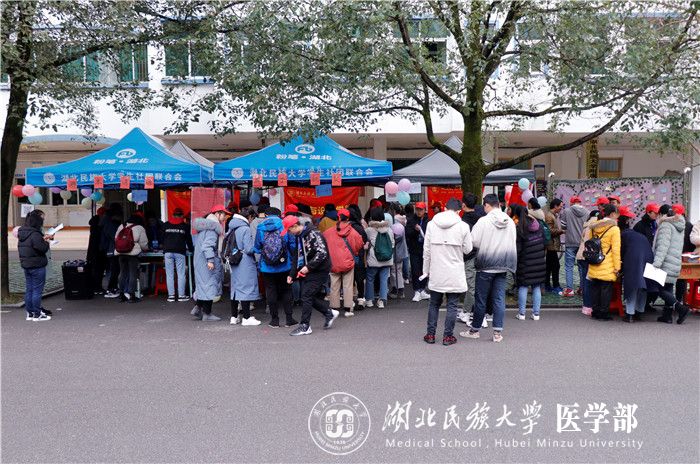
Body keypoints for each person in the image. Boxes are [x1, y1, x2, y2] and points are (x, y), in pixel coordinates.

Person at [460, 194, 517, 343]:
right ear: (498, 204)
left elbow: (474, 241)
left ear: (486, 205)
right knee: (499, 299)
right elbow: (513, 241)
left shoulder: (483, 221)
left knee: (481, 299)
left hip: (485, 265)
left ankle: (475, 330)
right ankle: (497, 333)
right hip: (503, 265)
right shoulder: (509, 221)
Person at [422, 198, 472, 346]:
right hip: (454, 271)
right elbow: (468, 249)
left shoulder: (431, 224)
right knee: (452, 305)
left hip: (436, 269)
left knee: (434, 303)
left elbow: (426, 251)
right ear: (459, 211)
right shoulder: (463, 226)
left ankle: (430, 334)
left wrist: (426, 271)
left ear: (444, 208)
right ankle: (448, 336)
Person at [283, 215, 339, 336]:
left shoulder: (313, 233)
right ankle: (328, 313)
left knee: (306, 295)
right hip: (311, 269)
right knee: (307, 295)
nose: (289, 233)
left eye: (289, 230)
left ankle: (305, 325)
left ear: (295, 226)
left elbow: (322, 253)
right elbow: (296, 256)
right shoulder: (299, 236)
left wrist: (308, 267)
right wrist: (292, 274)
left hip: (320, 269)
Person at [254, 207, 298, 328]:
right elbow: (292, 245)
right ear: (279, 215)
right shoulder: (284, 226)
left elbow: (257, 247)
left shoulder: (260, 227)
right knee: (286, 290)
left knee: (270, 291)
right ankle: (289, 319)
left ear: (266, 215)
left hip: (266, 266)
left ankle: (274, 320)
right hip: (285, 265)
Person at [652, 204, 689, 324]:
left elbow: (663, 246)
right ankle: (667, 316)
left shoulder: (666, 225)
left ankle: (681, 308)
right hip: (675, 262)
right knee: (668, 288)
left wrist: (657, 263)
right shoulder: (679, 225)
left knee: (659, 289)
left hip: (665, 262)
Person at [324, 208, 364, 317]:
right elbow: (359, 244)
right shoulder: (352, 231)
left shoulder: (328, 232)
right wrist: (354, 252)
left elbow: (323, 243)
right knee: (348, 285)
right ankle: (348, 309)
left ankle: (334, 309)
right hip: (348, 262)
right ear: (348, 218)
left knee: (334, 285)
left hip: (334, 262)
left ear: (338, 217)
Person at [191, 205, 228, 321]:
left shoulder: (205, 226)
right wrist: (210, 260)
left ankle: (197, 308)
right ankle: (207, 313)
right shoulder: (213, 228)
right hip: (206, 261)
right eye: (224, 215)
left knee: (203, 285)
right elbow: (207, 246)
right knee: (209, 286)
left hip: (200, 260)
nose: (225, 218)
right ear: (217, 214)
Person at [227, 207, 262, 326]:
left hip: (234, 260)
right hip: (244, 261)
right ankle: (246, 317)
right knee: (245, 288)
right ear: (249, 217)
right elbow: (248, 249)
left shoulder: (232, 227)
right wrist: (258, 248)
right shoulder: (245, 229)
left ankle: (233, 317)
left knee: (235, 289)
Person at [619, 206, 653, 323]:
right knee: (642, 285)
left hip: (633, 258)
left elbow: (620, 252)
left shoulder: (622, 235)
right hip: (648, 256)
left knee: (632, 285)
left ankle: (630, 314)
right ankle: (639, 311)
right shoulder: (637, 234)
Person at [586, 204, 621, 321]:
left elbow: (591, 244)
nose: (618, 217)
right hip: (607, 263)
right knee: (606, 289)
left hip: (594, 261)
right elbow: (616, 250)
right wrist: (617, 267)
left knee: (595, 288)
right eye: (617, 214)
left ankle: (595, 311)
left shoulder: (594, 227)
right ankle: (603, 313)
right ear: (612, 214)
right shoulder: (614, 229)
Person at [18, 210, 53, 321]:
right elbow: (42, 248)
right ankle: (37, 314)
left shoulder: (22, 233)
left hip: (26, 265)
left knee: (29, 289)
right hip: (37, 265)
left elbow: (32, 245)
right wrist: (47, 242)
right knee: (37, 291)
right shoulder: (35, 234)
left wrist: (43, 239)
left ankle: (30, 313)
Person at [514, 204, 546, 321]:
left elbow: (518, 249)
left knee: (523, 286)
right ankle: (536, 314)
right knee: (536, 286)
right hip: (539, 261)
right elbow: (544, 242)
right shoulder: (538, 225)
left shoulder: (520, 228)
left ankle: (521, 313)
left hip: (525, 262)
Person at [457, 192, 485, 323]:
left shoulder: (464, 221)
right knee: (476, 284)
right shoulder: (481, 218)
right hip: (480, 254)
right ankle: (473, 310)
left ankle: (467, 311)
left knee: (471, 286)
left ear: (463, 205)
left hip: (469, 256)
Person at [364, 207, 395, 309]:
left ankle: (369, 300)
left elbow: (365, 242)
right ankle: (382, 301)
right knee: (384, 279)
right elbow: (393, 244)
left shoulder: (369, 230)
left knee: (370, 278)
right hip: (387, 259)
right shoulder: (389, 230)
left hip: (374, 259)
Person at [114, 214, 149, 303]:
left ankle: (121, 294)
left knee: (122, 273)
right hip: (132, 254)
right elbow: (143, 243)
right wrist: (146, 249)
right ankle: (132, 296)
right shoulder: (139, 228)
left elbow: (116, 239)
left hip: (121, 252)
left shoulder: (121, 226)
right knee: (133, 274)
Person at [162, 208, 194, 302]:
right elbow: (188, 240)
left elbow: (162, 238)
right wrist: (191, 250)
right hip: (180, 251)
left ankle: (171, 296)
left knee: (169, 274)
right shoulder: (185, 226)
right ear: (182, 216)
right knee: (181, 274)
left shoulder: (166, 225)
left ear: (173, 215)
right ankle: (181, 296)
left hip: (168, 251)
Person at [560, 196, 589, 297]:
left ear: (571, 203)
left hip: (570, 242)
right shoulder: (587, 212)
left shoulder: (566, 211)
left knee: (569, 266)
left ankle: (569, 289)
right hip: (582, 243)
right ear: (580, 203)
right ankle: (582, 289)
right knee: (582, 267)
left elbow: (563, 226)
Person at [576, 210, 601, 316]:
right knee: (588, 282)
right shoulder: (595, 226)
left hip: (581, 255)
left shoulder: (586, 225)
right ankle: (588, 306)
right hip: (588, 256)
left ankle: (586, 306)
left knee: (584, 281)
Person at [406, 201, 429, 301]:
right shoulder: (411, 220)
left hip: (425, 249)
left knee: (424, 270)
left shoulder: (428, 221)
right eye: (417, 209)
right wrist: (415, 231)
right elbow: (407, 234)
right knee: (415, 270)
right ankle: (416, 291)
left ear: (425, 210)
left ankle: (422, 289)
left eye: (421, 210)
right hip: (414, 249)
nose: (419, 212)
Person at [347, 204, 369, 308]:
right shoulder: (359, 228)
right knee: (359, 279)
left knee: (348, 280)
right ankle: (360, 299)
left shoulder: (343, 227)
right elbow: (364, 240)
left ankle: (349, 301)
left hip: (346, 257)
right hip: (358, 256)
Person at [674, 204, 695, 304]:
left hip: (676, 255)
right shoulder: (689, 225)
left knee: (675, 281)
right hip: (683, 256)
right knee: (681, 280)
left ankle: (673, 303)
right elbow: (691, 244)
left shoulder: (671, 224)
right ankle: (679, 301)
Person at [102, 203, 124, 298]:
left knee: (113, 269)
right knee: (114, 270)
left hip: (109, 248)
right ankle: (111, 289)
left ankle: (112, 288)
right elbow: (114, 236)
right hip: (112, 249)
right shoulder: (111, 223)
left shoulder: (106, 221)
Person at [545, 198, 565, 295]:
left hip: (551, 245)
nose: (561, 208)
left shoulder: (552, 215)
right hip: (551, 245)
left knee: (549, 266)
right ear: (555, 206)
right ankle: (555, 286)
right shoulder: (549, 216)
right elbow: (549, 231)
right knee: (556, 266)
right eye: (560, 206)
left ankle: (547, 285)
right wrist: (562, 231)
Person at [389, 221, 408, 299]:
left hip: (396, 255)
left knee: (394, 271)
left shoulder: (396, 235)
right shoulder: (401, 230)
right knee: (398, 271)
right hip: (401, 254)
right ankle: (400, 289)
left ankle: (396, 289)